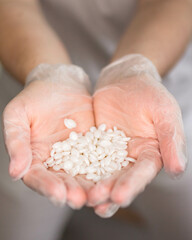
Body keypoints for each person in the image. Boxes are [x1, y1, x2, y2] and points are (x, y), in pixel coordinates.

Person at [0, 0, 192, 239]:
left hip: (153, 88)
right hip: (37, 92)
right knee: (19, 228)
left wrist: (135, 67)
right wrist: (45, 72)